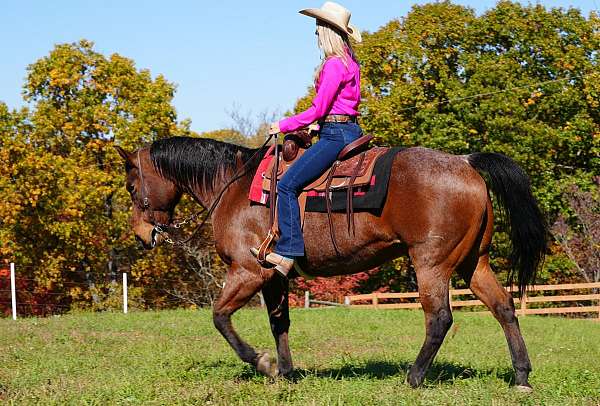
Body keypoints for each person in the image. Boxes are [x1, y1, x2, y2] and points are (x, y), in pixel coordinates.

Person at [253, 1, 363, 277]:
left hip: (335, 135)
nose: (315, 35)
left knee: (287, 185)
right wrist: (315, 128)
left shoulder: (334, 65)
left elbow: (319, 109)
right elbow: (340, 106)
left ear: (327, 32)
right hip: (347, 129)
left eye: (317, 30)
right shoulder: (351, 63)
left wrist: (282, 124)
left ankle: (288, 252)